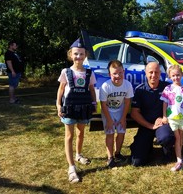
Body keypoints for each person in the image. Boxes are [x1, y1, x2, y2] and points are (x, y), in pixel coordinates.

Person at [56, 39, 97, 183]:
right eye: (75, 54)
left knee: (81, 133)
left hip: (84, 107)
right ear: (70, 55)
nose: (78, 57)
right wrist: (58, 105)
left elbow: (92, 90)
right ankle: (71, 167)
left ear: (85, 55)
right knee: (69, 136)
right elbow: (61, 90)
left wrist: (94, 103)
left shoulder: (89, 73)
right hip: (69, 108)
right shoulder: (66, 72)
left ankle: (78, 154)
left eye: (81, 54)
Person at [130, 61, 175, 166]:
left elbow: (175, 107)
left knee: (166, 138)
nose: (153, 75)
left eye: (156, 72)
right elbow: (134, 113)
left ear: (160, 73)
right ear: (146, 73)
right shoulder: (140, 90)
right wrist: (150, 126)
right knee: (137, 162)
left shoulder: (168, 88)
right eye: (151, 72)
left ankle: (167, 151)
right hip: (146, 125)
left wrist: (164, 118)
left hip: (162, 123)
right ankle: (144, 146)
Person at [99, 60, 134, 168]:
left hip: (120, 110)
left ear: (123, 71)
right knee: (110, 133)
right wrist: (109, 120)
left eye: (120, 73)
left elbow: (127, 102)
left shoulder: (127, 85)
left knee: (121, 132)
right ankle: (110, 157)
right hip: (108, 111)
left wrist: (123, 118)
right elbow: (103, 104)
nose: (118, 76)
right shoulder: (105, 86)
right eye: (114, 73)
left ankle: (117, 153)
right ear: (109, 74)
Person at [160, 65, 183, 172]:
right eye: (173, 76)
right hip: (172, 118)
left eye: (178, 75)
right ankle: (179, 159)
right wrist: (165, 116)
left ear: (182, 75)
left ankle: (180, 156)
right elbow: (165, 103)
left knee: (181, 137)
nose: (176, 78)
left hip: (182, 118)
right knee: (177, 138)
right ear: (170, 77)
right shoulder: (168, 89)